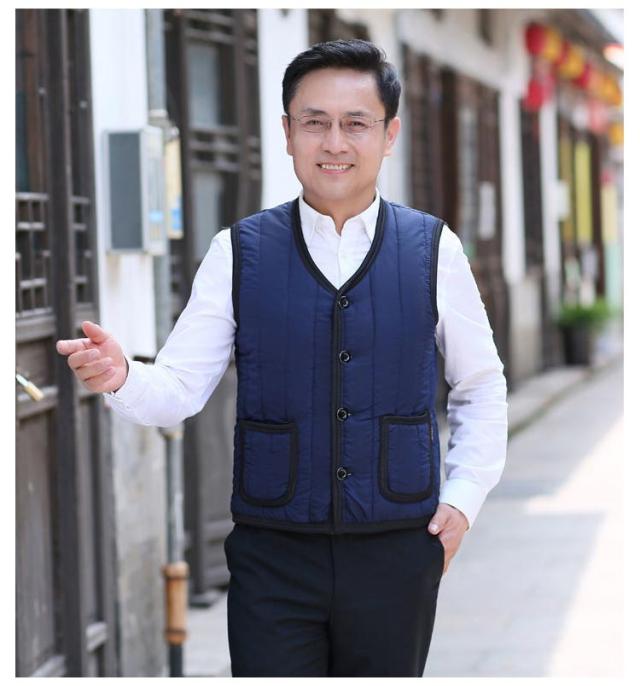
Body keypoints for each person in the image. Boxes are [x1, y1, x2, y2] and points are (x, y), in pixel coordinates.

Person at [56, 39, 508, 677]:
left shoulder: (433, 249)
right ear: (288, 133)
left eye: (356, 123)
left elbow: (481, 386)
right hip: (273, 555)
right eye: (314, 122)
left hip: (397, 551)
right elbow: (180, 386)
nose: (334, 143)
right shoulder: (240, 251)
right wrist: (122, 375)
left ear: (390, 135)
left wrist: (461, 500)